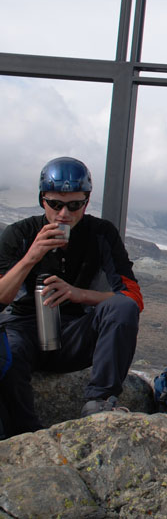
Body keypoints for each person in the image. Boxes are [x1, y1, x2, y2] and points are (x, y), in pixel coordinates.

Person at [0, 157, 143, 435]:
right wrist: (31, 257)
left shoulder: (101, 234)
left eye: (74, 205)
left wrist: (78, 294)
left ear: (86, 202)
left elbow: (132, 298)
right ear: (43, 200)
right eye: (55, 204)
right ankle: (24, 433)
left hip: (76, 332)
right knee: (8, 349)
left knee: (121, 309)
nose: (64, 213)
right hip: (24, 330)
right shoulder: (19, 234)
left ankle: (99, 402)